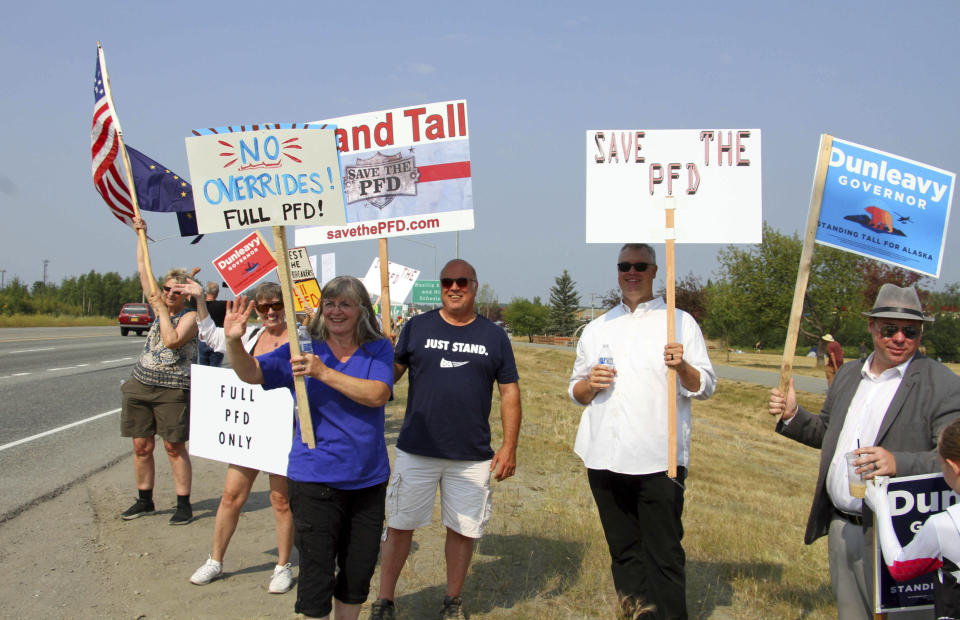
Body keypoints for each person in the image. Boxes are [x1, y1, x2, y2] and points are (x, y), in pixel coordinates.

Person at [768, 283, 960, 620]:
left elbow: (952, 457)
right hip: (843, 528)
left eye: (910, 330)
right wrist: (793, 416)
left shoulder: (942, 384)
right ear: (871, 326)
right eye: (889, 328)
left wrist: (896, 462)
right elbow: (829, 434)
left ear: (921, 332)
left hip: (902, 535)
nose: (899, 338)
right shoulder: (848, 374)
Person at [225, 276, 393, 620]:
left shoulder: (378, 348)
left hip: (367, 481)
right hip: (315, 479)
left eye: (345, 304)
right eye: (329, 304)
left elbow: (377, 394)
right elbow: (253, 374)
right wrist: (234, 343)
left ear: (361, 310)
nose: (336, 311)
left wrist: (323, 372)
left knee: (357, 572)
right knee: (316, 574)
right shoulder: (302, 349)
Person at [568, 243, 716, 620]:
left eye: (639, 266)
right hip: (604, 457)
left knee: (664, 553)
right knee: (623, 550)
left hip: (658, 460)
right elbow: (576, 392)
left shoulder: (679, 322)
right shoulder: (598, 327)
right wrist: (590, 383)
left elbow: (706, 386)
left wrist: (682, 366)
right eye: (623, 266)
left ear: (654, 272)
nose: (630, 273)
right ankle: (638, 612)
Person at [370, 259, 522, 620]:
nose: (454, 288)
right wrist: (379, 354)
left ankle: (452, 601)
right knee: (400, 524)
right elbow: (388, 379)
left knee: (463, 529)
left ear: (474, 285)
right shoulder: (417, 327)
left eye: (462, 282)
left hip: (471, 455)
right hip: (418, 449)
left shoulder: (494, 336)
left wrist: (510, 445)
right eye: (447, 282)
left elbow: (510, 392)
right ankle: (384, 600)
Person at [177, 280, 295, 594]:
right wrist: (201, 300)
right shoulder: (252, 334)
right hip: (251, 430)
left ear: (286, 306)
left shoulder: (300, 339)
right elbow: (212, 336)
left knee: (281, 501)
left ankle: (283, 565)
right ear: (257, 308)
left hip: (286, 432)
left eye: (277, 305)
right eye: (264, 306)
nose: (271, 312)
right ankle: (215, 560)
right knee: (231, 497)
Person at [119, 217, 198, 525]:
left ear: (185, 295)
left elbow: (172, 339)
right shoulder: (160, 304)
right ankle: (144, 499)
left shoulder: (189, 318)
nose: (168, 294)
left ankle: (183, 504)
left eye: (175, 291)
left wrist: (164, 311)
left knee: (173, 446)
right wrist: (141, 236)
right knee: (141, 445)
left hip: (172, 389)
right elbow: (143, 270)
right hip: (141, 383)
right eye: (165, 289)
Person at [865, 418, 960, 619]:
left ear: (953, 466)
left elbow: (900, 568)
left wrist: (882, 506)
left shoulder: (944, 525)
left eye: (942, 465)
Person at [197, 280, 227, 367]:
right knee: (215, 368)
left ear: (206, 292)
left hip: (203, 339)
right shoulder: (223, 305)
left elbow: (188, 296)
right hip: (217, 340)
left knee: (203, 367)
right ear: (217, 292)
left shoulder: (200, 305)